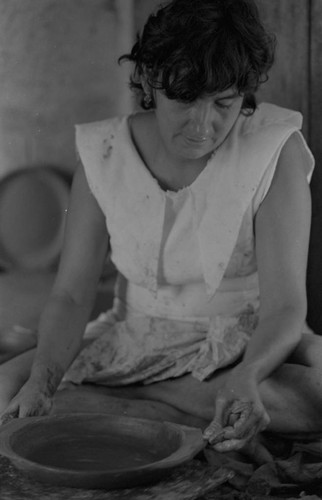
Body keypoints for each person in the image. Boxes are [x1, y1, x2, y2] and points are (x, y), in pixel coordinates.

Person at [0, 0, 321, 457]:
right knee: (5, 387)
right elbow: (70, 295)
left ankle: (127, 408)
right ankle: (177, 410)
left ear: (243, 94)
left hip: (243, 344)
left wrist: (247, 377)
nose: (202, 127)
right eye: (185, 100)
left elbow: (286, 307)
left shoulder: (274, 149)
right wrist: (41, 381)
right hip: (133, 341)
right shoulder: (103, 153)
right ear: (152, 81)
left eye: (224, 104)